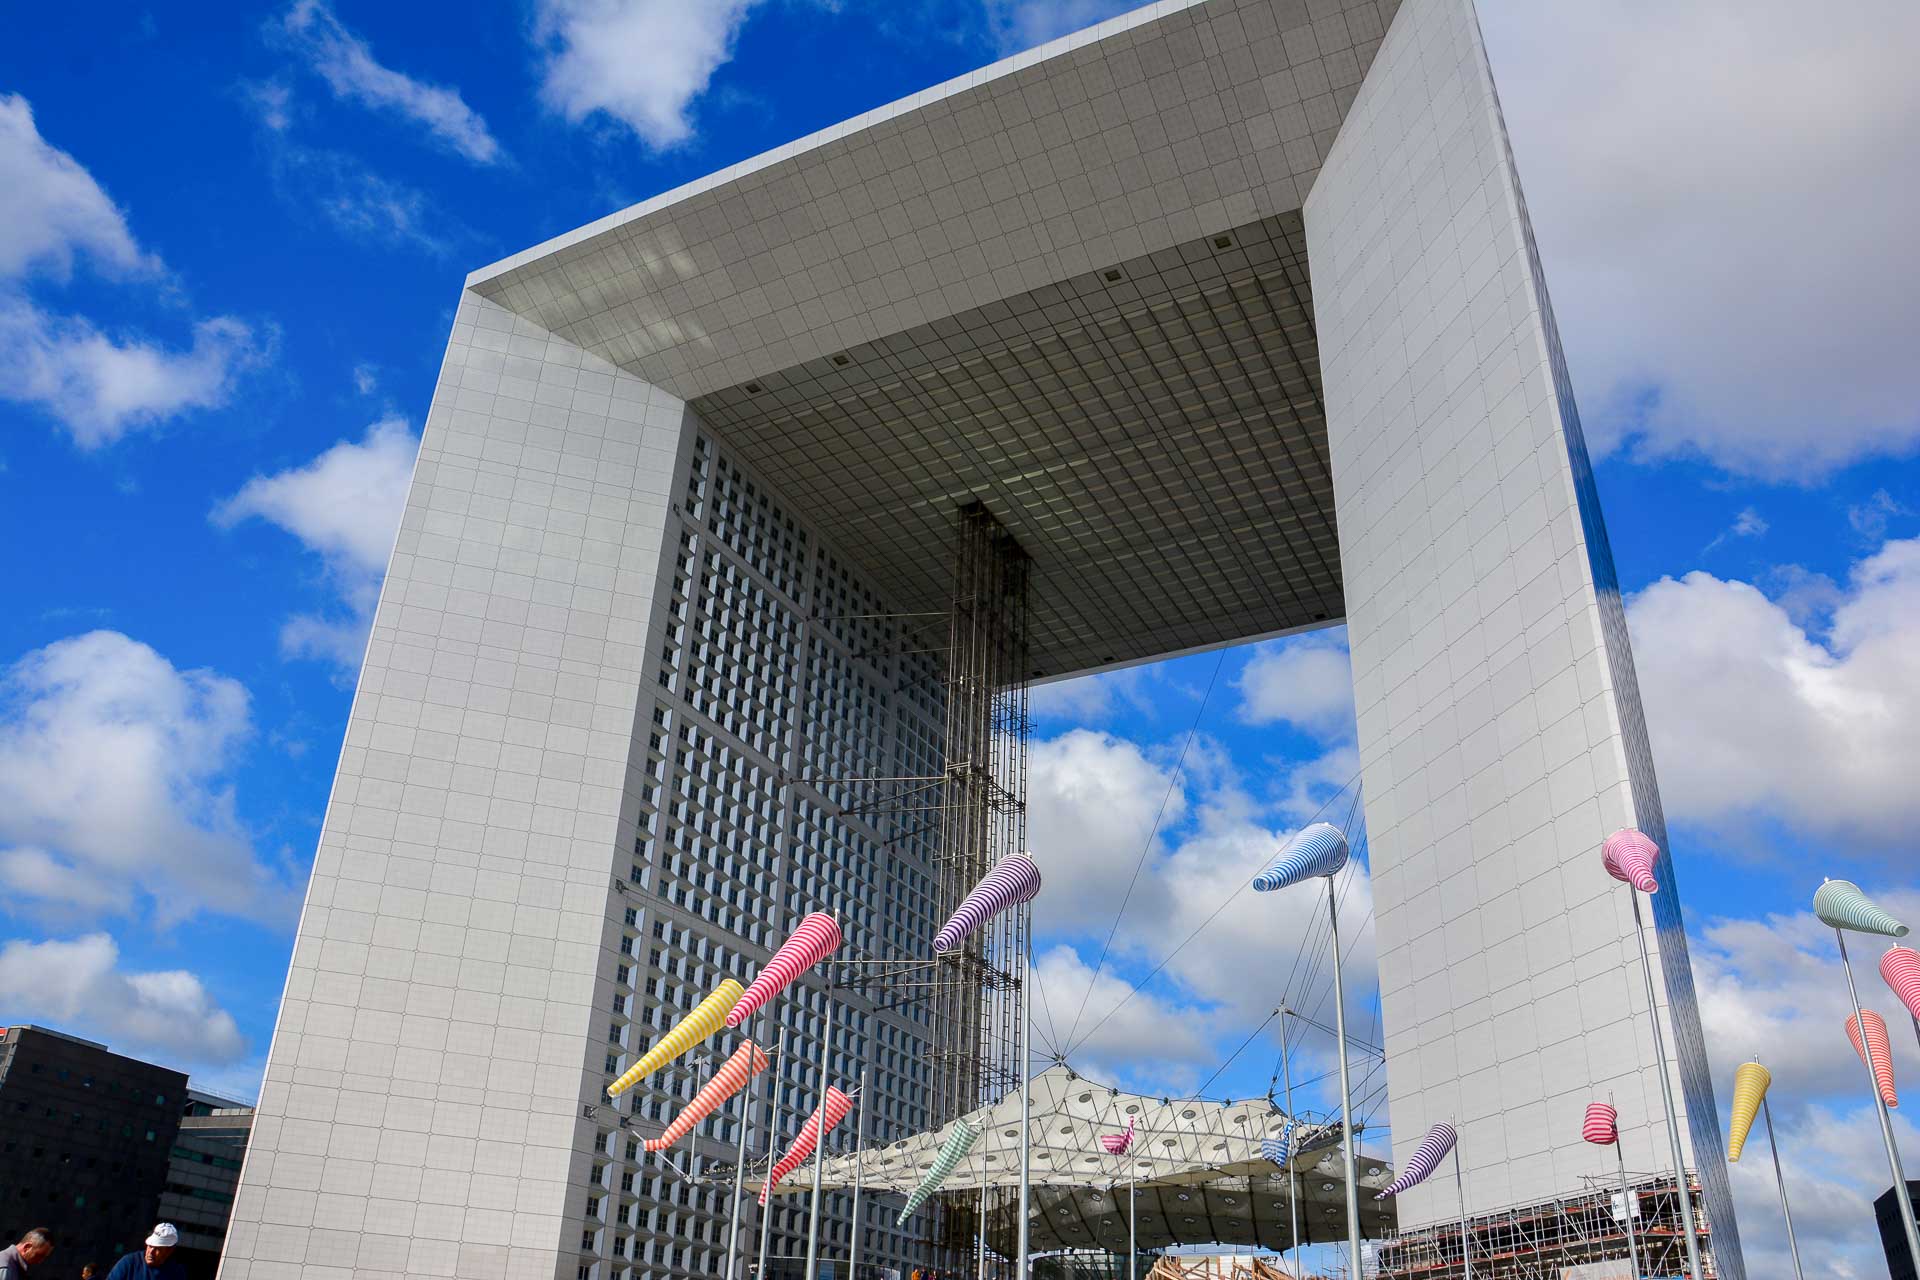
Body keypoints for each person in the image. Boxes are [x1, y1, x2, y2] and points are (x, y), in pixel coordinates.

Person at [104, 1225, 185, 1280]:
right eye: (150, 1245)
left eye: (158, 1249)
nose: (151, 1251)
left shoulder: (177, 1273)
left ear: (169, 1251)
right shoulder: (129, 1262)